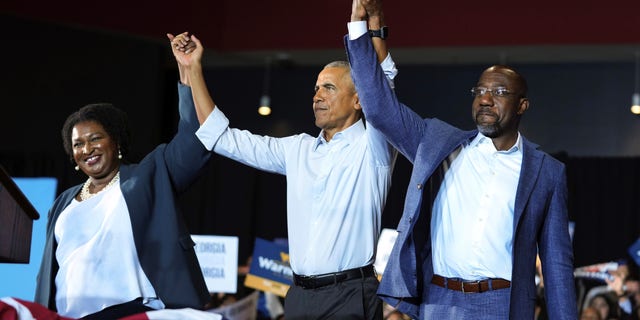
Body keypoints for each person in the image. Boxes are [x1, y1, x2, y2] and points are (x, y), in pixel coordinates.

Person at [344, 0, 579, 319]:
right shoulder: (438, 143)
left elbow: (557, 265)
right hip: (439, 300)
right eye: (480, 91)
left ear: (522, 105)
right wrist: (361, 29)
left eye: (498, 92)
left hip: (503, 305)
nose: (485, 99)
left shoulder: (547, 172)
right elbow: (379, 108)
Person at [173, 5, 398, 317]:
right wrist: (193, 69)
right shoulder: (298, 150)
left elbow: (382, 91)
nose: (317, 96)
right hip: (298, 297)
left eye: (329, 88)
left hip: (350, 296)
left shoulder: (374, 146)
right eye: (316, 88)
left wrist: (370, 25)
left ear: (359, 100)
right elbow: (224, 138)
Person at [33, 32, 224, 319]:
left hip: (132, 312)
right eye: (78, 144)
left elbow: (195, 139)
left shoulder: (150, 175)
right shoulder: (62, 203)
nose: (87, 149)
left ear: (117, 141)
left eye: (96, 138)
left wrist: (189, 70)